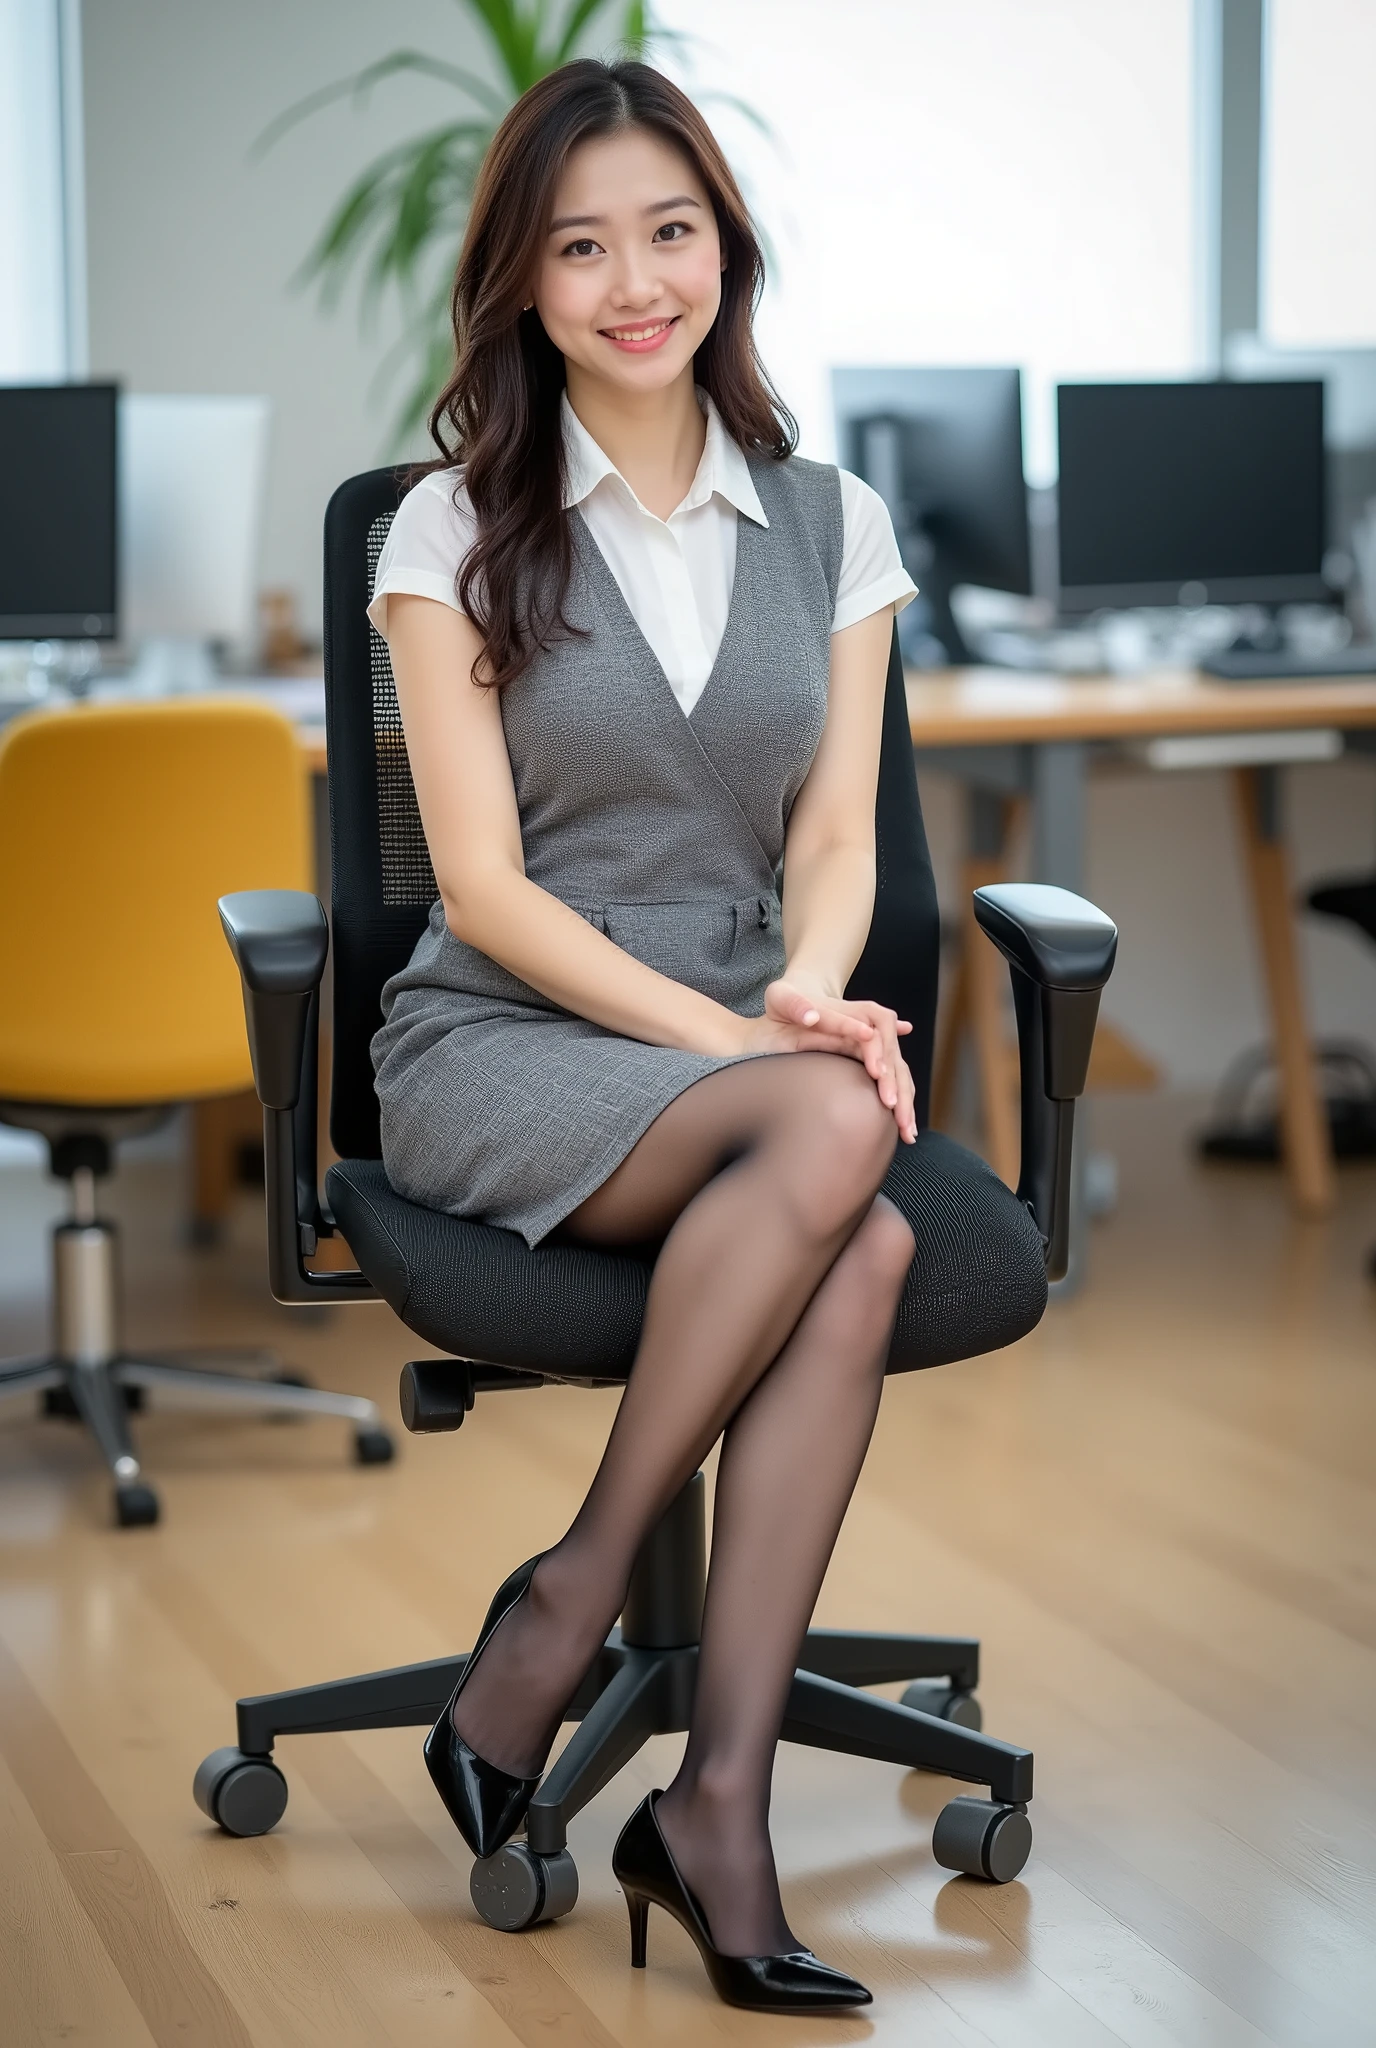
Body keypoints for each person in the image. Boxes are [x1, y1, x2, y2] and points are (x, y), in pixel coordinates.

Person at [367, 57, 921, 2015]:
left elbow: (837, 828)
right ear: (522, 282)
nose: (632, 281)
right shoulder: (450, 532)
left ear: (725, 249)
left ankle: (716, 1801)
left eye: (667, 232)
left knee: (859, 1222)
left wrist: (810, 989)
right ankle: (587, 1589)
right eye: (580, 245)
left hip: (735, 1049)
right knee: (837, 1158)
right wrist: (738, 1044)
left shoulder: (829, 520)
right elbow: (490, 893)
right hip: (505, 1042)